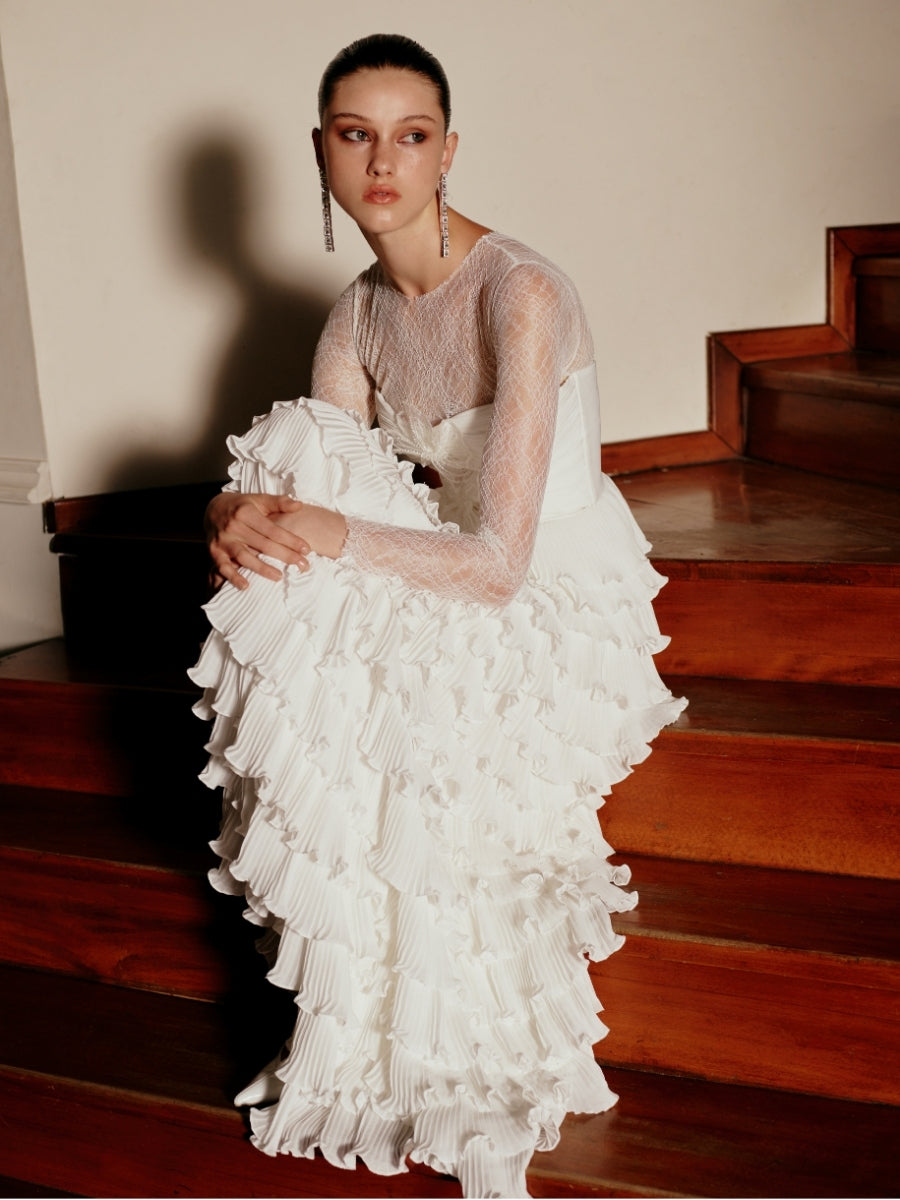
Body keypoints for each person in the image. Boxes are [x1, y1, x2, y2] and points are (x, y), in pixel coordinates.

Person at [191, 33, 686, 1199]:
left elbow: (501, 567)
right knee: (290, 451)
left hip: (546, 587)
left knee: (353, 605)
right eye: (355, 136)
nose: (383, 164)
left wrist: (321, 532)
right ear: (321, 151)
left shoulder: (522, 293)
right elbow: (315, 481)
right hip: (438, 550)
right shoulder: (356, 314)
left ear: (449, 152)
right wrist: (234, 510)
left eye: (411, 137)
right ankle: (351, 999)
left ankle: (442, 1029)